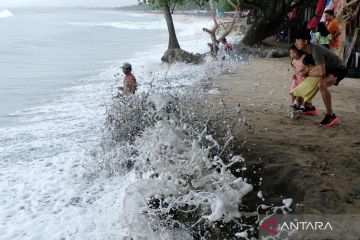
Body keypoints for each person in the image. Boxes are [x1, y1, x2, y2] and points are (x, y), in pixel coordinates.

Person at [295, 30, 347, 126]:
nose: (296, 43)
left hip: (339, 69)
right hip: (329, 69)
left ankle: (330, 115)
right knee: (310, 81)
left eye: (298, 41)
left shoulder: (315, 50)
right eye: (295, 41)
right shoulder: (307, 50)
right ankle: (309, 107)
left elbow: (321, 73)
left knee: (321, 84)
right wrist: (307, 73)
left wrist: (307, 73)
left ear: (306, 42)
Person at [288, 45, 306, 109]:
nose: (293, 55)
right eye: (291, 53)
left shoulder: (303, 58)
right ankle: (294, 104)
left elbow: (308, 67)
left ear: (299, 51)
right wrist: (294, 74)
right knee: (292, 92)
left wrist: (302, 71)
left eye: (294, 52)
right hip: (297, 79)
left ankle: (302, 105)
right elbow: (295, 70)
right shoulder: (293, 61)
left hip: (304, 79)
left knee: (302, 93)